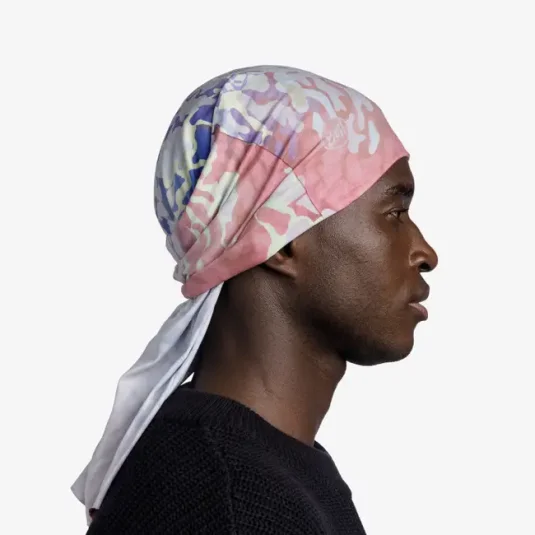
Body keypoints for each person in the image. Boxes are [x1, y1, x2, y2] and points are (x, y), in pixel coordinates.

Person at [73, 65, 438, 534]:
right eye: (395, 212)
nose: (425, 252)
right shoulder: (229, 502)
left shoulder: (252, 469)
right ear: (282, 239)